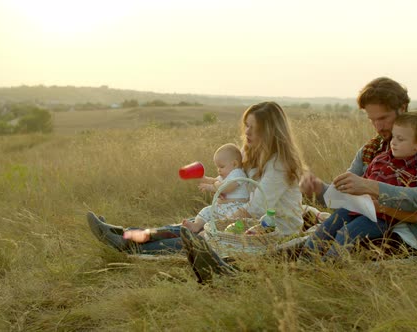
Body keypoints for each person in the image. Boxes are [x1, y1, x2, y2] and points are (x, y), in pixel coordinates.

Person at [87, 101, 306, 264]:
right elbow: (233, 180)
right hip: (246, 219)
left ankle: (128, 246)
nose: (246, 131)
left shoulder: (279, 165)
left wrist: (219, 222)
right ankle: (123, 234)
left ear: (268, 130)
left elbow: (257, 208)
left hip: (274, 229)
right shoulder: (251, 152)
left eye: (253, 127)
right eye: (246, 125)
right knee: (190, 224)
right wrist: (218, 198)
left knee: (201, 234)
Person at [301, 77, 417, 256]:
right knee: (319, 239)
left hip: (413, 235)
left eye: (383, 118)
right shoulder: (372, 148)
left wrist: (369, 186)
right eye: (372, 120)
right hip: (366, 221)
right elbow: (347, 199)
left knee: (346, 243)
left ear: (402, 108)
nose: (378, 127)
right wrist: (319, 190)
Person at [181, 143, 249, 233]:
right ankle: (196, 225)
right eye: (217, 167)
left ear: (235, 164)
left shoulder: (237, 173)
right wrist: (204, 179)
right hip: (222, 207)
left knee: (229, 221)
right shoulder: (225, 175)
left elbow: (227, 188)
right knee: (207, 211)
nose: (219, 169)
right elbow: (214, 181)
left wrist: (210, 188)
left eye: (221, 166)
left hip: (235, 207)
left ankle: (217, 231)